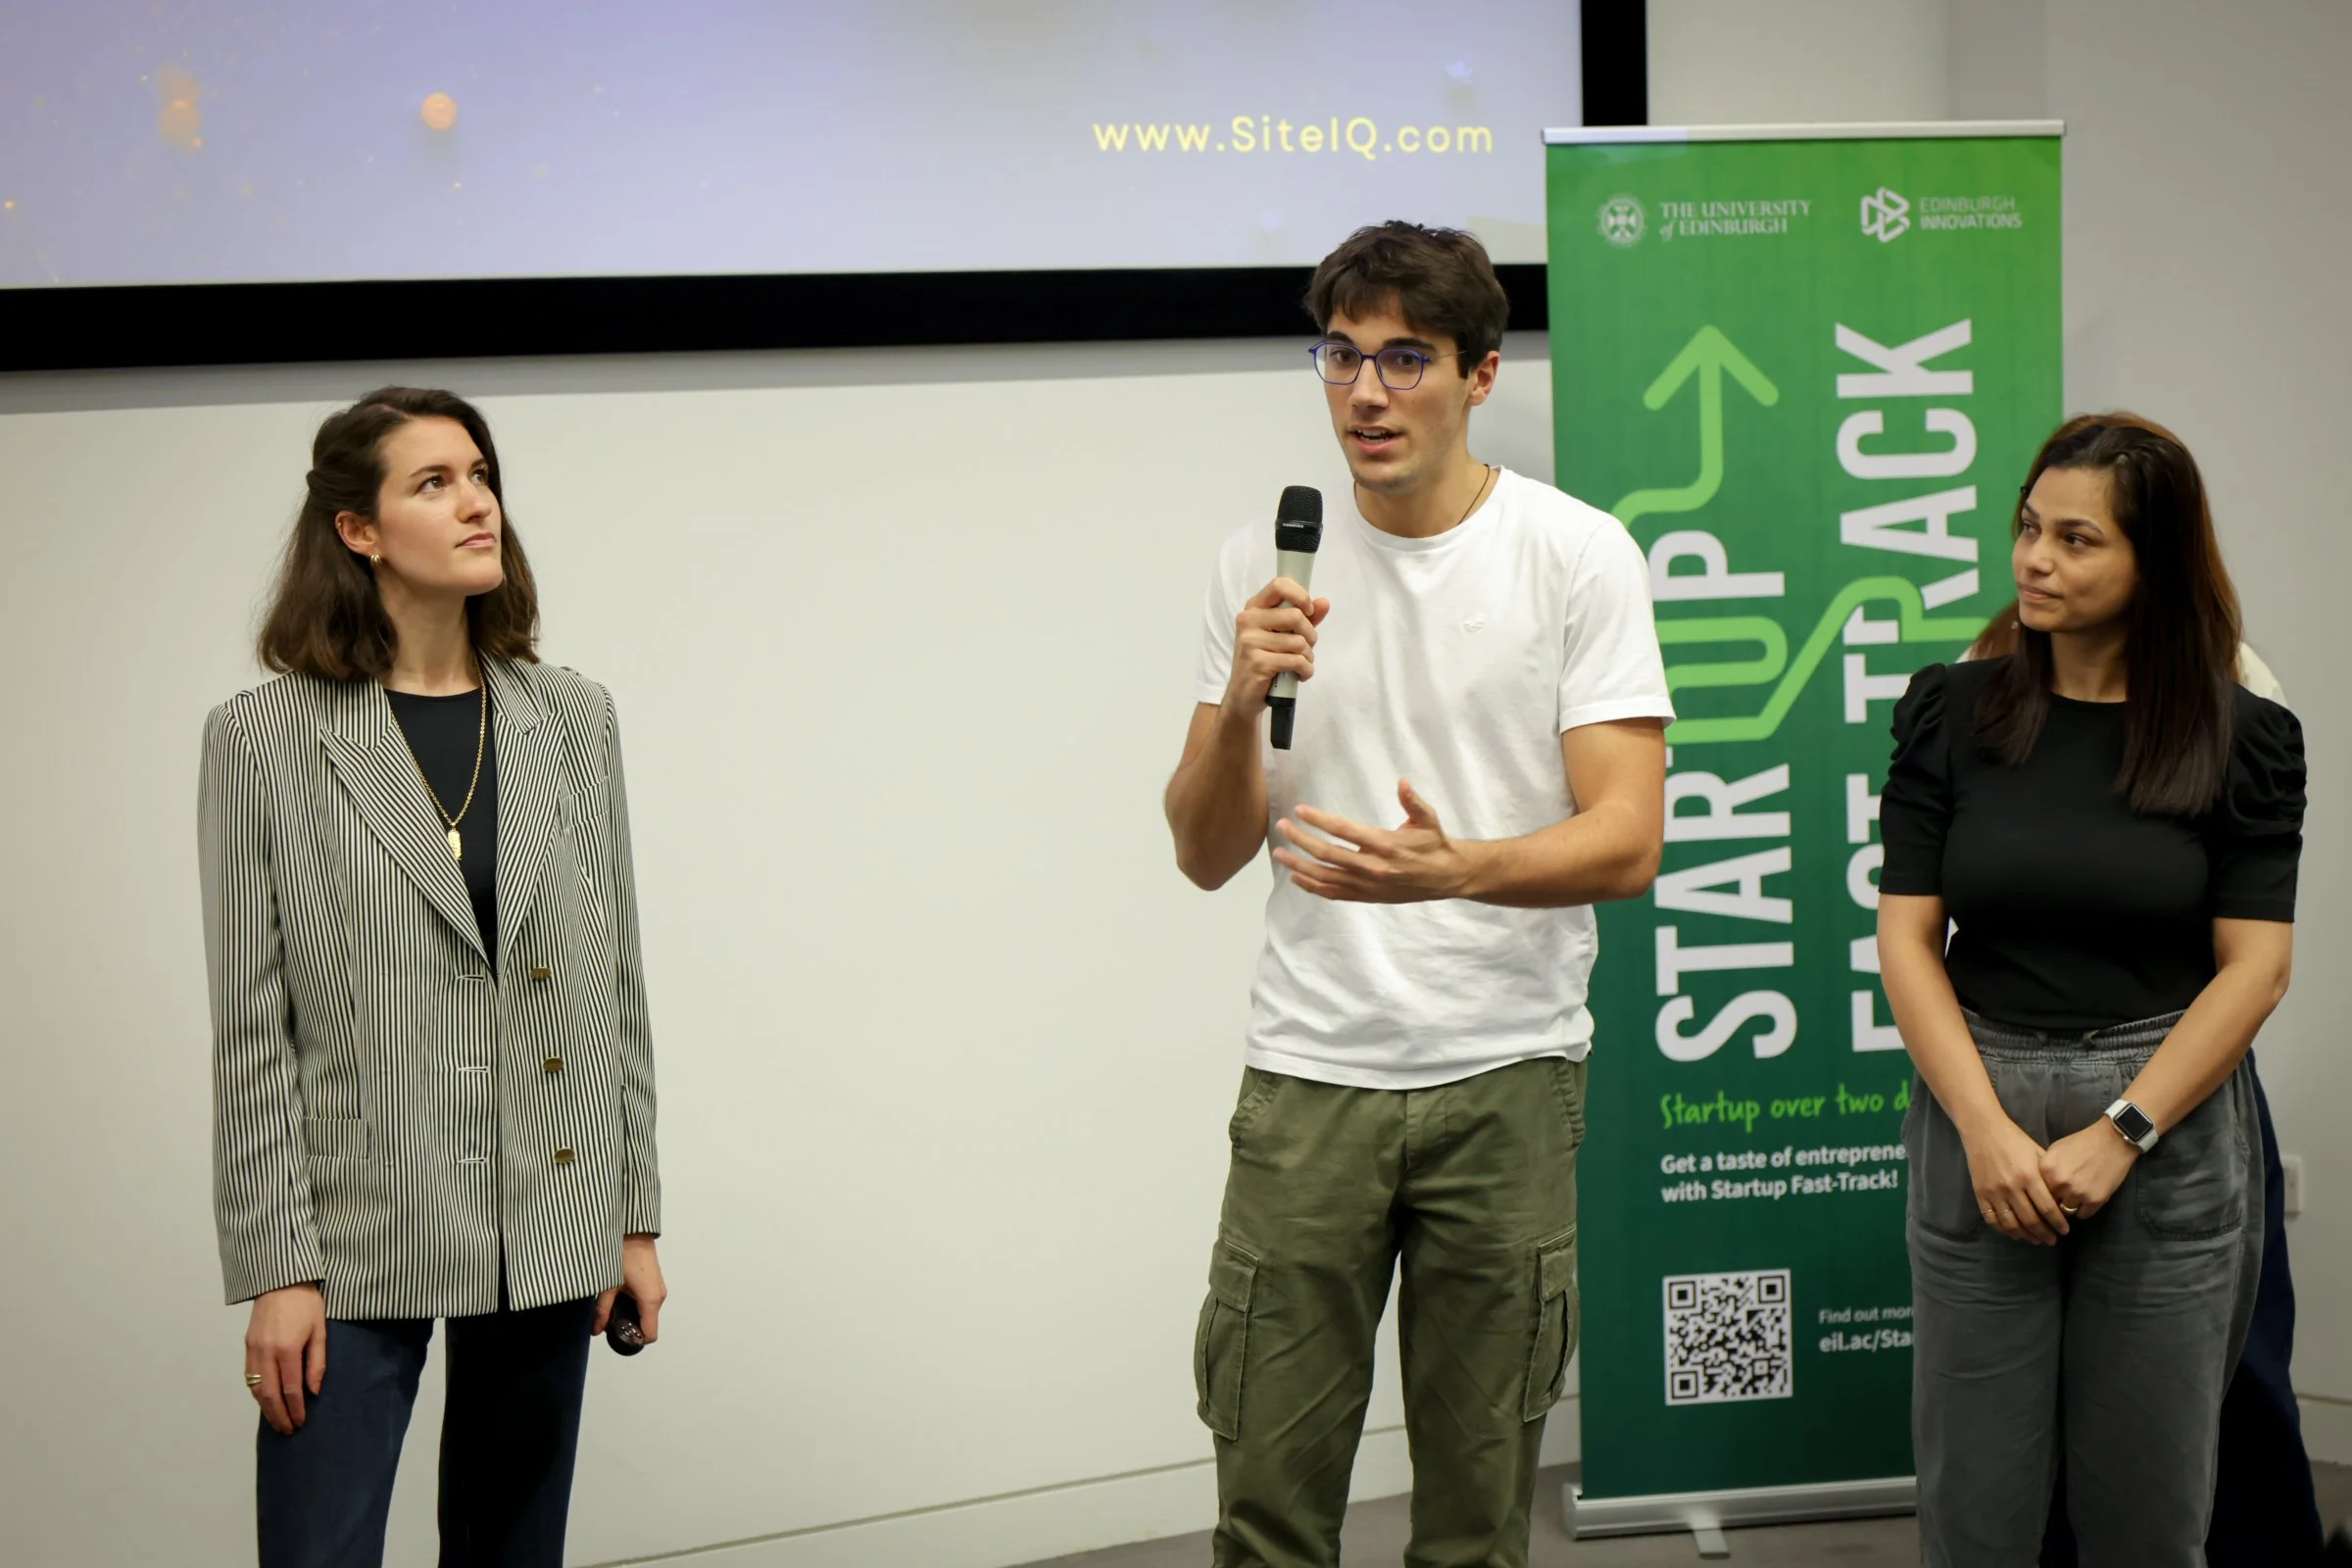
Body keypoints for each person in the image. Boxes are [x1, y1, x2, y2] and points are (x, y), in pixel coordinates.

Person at [1162, 221, 1673, 1567]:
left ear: (1482, 375)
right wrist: (1238, 698)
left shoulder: (1576, 556)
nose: (1367, 393)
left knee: (1473, 1516)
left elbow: (1627, 842)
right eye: (1341, 356)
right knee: (1266, 1506)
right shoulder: (1261, 565)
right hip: (1309, 1076)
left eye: (1405, 359)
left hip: (1504, 1074)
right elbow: (1204, 850)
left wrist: (1465, 871)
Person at [200, 387, 667, 1568]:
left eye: (481, 475)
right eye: (434, 482)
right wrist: (277, 1268)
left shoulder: (573, 717)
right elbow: (253, 1034)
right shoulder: (264, 739)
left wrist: (632, 1214)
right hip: (356, 1224)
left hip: (550, 1211)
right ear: (358, 530)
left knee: (513, 1552)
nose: (477, 505)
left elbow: (614, 984)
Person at [1877, 416, 2305, 1568]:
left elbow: (2256, 968)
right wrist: (1982, 1127)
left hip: (2161, 1114)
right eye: (2028, 527)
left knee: (2150, 1512)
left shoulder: (2244, 736)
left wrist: (2123, 1129)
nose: (2034, 559)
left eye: (2076, 539)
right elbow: (1908, 940)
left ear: (2151, 563)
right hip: (1980, 1110)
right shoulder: (1949, 712)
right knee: (1976, 1508)